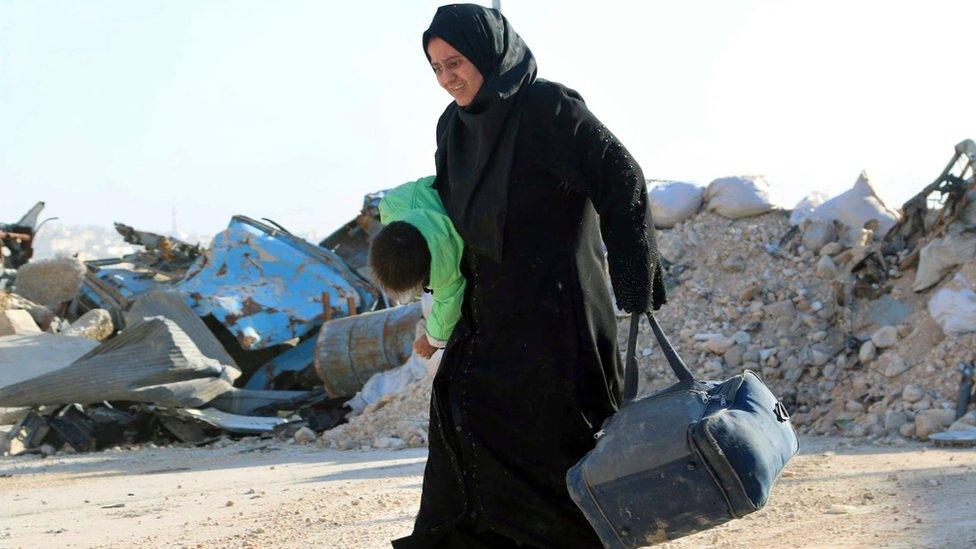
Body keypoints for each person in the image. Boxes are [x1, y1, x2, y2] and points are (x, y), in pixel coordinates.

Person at [393, 5, 666, 548]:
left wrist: (636, 276)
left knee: (556, 455)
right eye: (436, 68)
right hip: (490, 312)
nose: (447, 78)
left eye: (455, 62)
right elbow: (454, 215)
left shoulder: (546, 107)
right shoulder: (453, 126)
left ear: (490, 54)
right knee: (464, 429)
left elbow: (618, 173)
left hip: (557, 318)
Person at [370, 175, 466, 358]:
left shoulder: (447, 272)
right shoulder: (396, 205)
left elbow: (447, 306)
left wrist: (432, 339)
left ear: (427, 274)